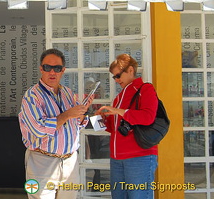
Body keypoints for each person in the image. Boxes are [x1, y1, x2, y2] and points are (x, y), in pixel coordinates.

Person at [18, 48, 93, 199]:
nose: (52, 72)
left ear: (63, 70)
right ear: (41, 69)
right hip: (41, 162)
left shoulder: (68, 93)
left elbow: (76, 125)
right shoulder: (32, 96)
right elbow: (38, 129)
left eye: (57, 68)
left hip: (70, 161)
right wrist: (67, 115)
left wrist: (81, 113)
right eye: (47, 67)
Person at [96, 54, 158, 199]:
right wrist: (98, 119)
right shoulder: (119, 98)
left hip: (139, 156)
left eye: (118, 75)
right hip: (117, 158)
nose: (117, 80)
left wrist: (117, 111)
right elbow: (113, 129)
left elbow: (148, 117)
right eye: (114, 77)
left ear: (130, 70)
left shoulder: (145, 89)